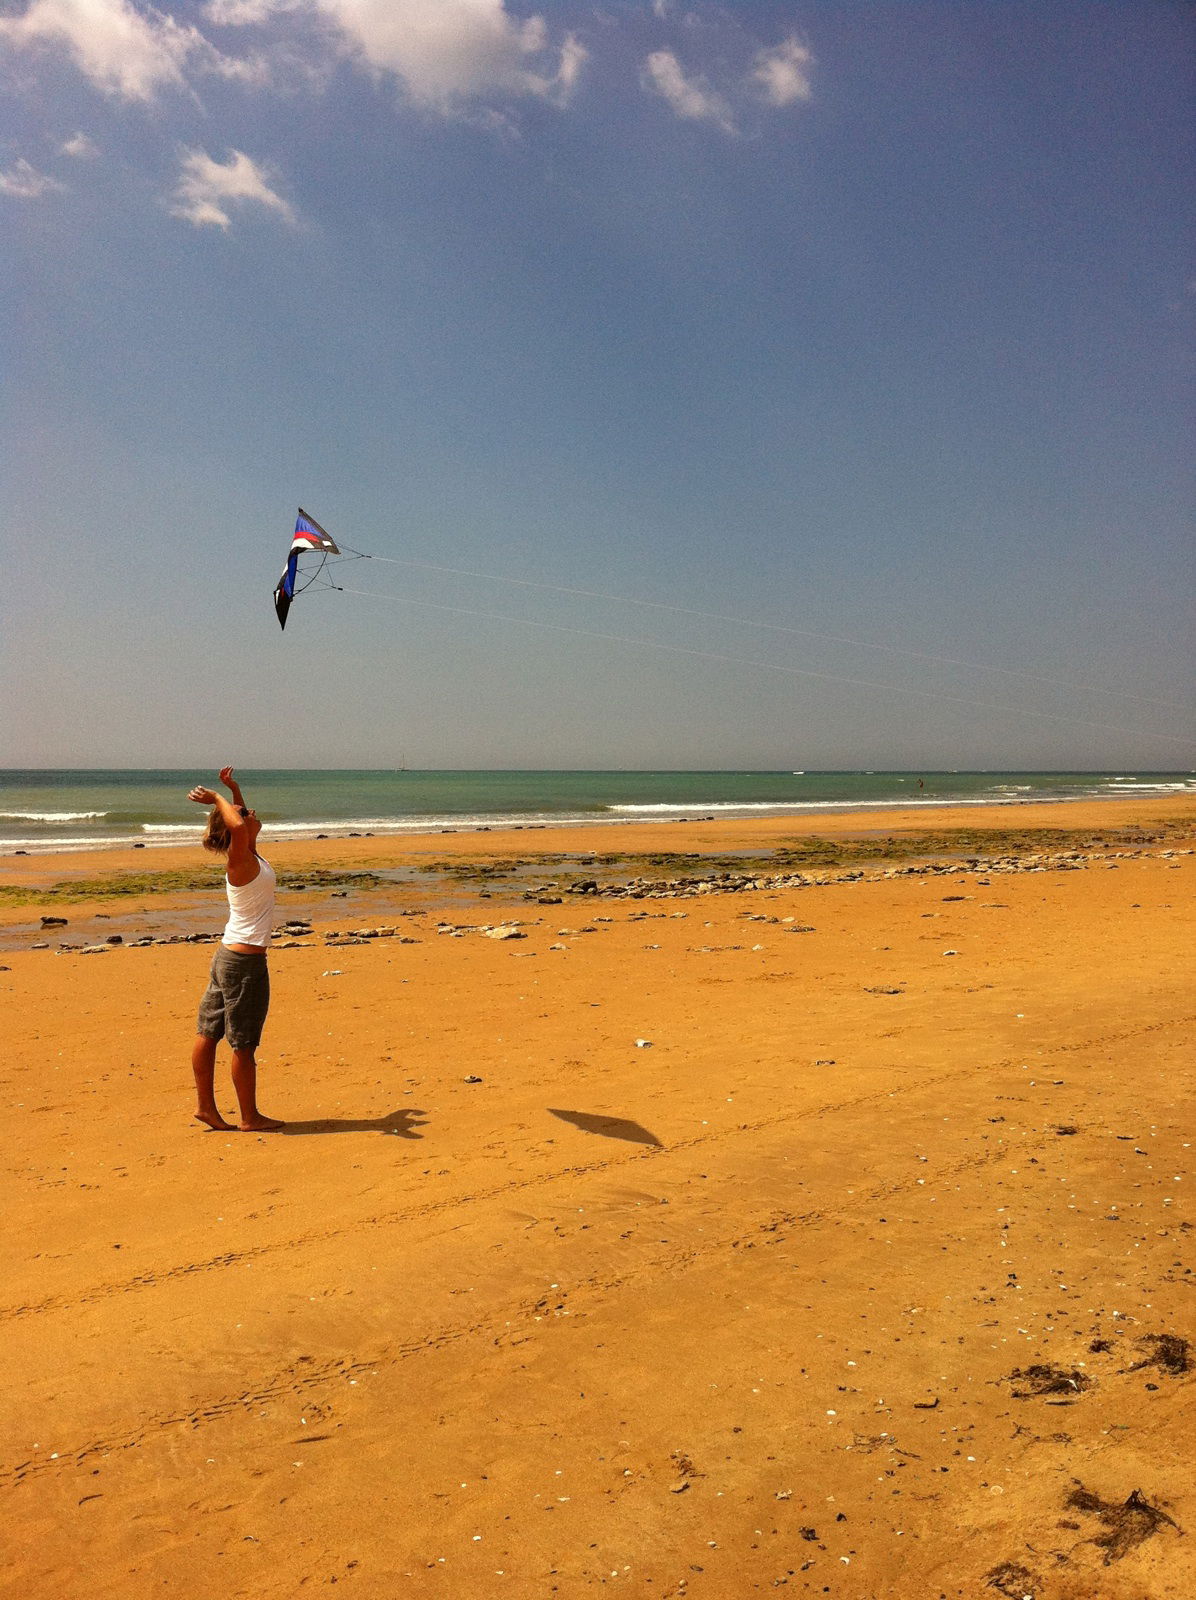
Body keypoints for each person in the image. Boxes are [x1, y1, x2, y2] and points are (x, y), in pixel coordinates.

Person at [188, 767, 284, 1132]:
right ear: (234, 827)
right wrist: (216, 798)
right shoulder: (239, 858)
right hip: (243, 962)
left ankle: (206, 1109)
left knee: (208, 1031)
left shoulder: (251, 855)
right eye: (244, 812)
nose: (251, 813)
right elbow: (240, 826)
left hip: (228, 956)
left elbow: (242, 824)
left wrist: (234, 790)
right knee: (242, 1043)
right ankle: (249, 1117)